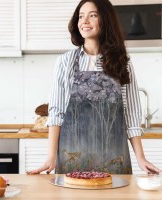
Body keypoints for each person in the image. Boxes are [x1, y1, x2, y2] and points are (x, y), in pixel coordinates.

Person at [27, 0, 161, 175]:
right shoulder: (65, 62)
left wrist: (141, 158)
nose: (85, 21)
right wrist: (51, 157)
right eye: (81, 16)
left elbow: (131, 114)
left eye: (93, 15)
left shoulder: (122, 62)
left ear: (105, 20)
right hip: (72, 159)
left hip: (114, 158)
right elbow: (57, 112)